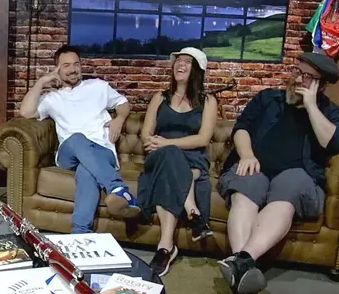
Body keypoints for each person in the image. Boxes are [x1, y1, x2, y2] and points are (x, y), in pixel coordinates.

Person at [216, 52, 339, 294]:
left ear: (321, 85)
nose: (297, 79)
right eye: (297, 71)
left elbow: (336, 143)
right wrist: (246, 154)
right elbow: (242, 127)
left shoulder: (330, 112)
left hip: (298, 175)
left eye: (308, 77)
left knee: (289, 186)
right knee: (246, 187)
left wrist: (311, 106)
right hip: (256, 167)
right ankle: (243, 268)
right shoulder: (268, 98)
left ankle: (240, 262)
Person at [19, 45, 139, 233]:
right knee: (77, 138)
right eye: (66, 65)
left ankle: (80, 232)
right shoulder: (52, 98)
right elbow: (25, 112)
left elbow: (122, 103)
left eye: (76, 64)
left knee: (86, 172)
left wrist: (120, 119)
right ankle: (118, 189)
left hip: (102, 151)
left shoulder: (98, 86)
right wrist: (42, 81)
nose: (73, 69)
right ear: (57, 69)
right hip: (69, 154)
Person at [136, 47, 217, 276]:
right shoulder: (160, 97)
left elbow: (203, 138)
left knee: (172, 172)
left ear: (197, 70)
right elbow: (146, 134)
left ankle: (165, 247)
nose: (180, 65)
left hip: (192, 157)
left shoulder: (208, 101)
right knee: (170, 158)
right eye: (178, 61)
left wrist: (168, 143)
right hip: (159, 157)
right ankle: (193, 211)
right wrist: (159, 145)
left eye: (187, 62)